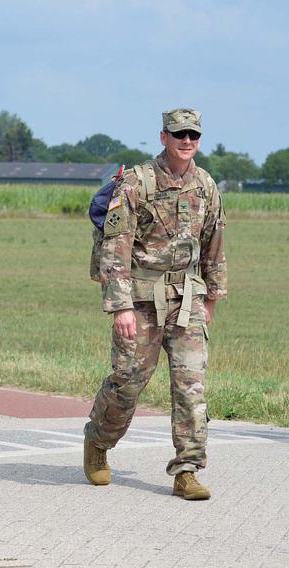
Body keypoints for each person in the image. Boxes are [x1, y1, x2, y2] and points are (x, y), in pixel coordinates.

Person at [83, 108, 227, 501]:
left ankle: (187, 469)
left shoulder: (206, 185)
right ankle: (98, 441)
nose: (187, 141)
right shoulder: (136, 182)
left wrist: (212, 295)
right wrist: (121, 306)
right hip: (142, 300)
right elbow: (116, 247)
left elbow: (214, 243)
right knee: (127, 382)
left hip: (188, 302)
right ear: (163, 137)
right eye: (179, 134)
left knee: (190, 388)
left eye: (193, 135)